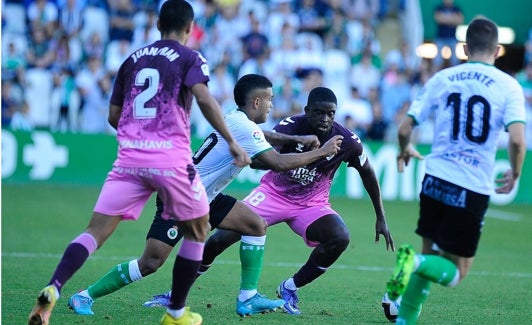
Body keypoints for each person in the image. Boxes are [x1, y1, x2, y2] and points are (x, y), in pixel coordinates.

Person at [27, 1, 252, 325]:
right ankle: (176, 313)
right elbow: (203, 97)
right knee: (199, 228)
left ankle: (55, 286)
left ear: (158, 24)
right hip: (171, 161)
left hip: (129, 160)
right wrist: (231, 141)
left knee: (94, 232)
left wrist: (138, 139)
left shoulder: (132, 60)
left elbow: (113, 116)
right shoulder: (190, 57)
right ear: (190, 28)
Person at [66, 74, 343, 317]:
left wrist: (296, 141)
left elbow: (263, 136)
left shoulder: (237, 120)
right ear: (256, 102)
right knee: (151, 262)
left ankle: (247, 297)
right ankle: (85, 295)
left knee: (255, 225)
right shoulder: (243, 126)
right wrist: (322, 151)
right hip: (182, 196)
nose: (272, 104)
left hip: (204, 196)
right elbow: (278, 163)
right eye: (269, 99)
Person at [146, 86, 395, 315]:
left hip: (312, 203)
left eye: (331, 114)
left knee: (340, 237)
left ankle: (289, 288)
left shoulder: (347, 141)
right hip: (273, 194)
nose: (325, 119)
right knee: (221, 238)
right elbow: (262, 156)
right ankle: (175, 295)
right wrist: (312, 150)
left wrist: (381, 217)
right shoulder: (289, 127)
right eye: (319, 113)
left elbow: (368, 172)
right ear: (307, 111)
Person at [384, 18, 526, 324]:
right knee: (457, 272)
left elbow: (405, 126)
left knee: (431, 258)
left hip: (435, 177)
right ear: (498, 50)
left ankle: (405, 319)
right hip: (471, 184)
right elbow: (516, 139)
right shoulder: (508, 85)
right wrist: (515, 173)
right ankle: (414, 263)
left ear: (463, 48)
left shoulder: (442, 77)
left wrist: (405, 148)